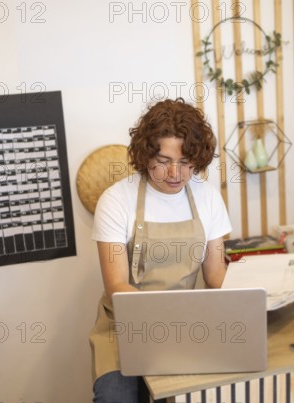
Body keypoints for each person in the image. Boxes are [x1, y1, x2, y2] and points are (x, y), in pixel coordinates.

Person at [89, 98, 232, 402]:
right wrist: (164, 323)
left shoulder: (207, 197)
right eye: (164, 161)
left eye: (185, 162)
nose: (175, 174)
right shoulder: (116, 200)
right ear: (145, 155)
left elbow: (217, 277)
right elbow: (116, 285)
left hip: (188, 327)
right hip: (124, 329)